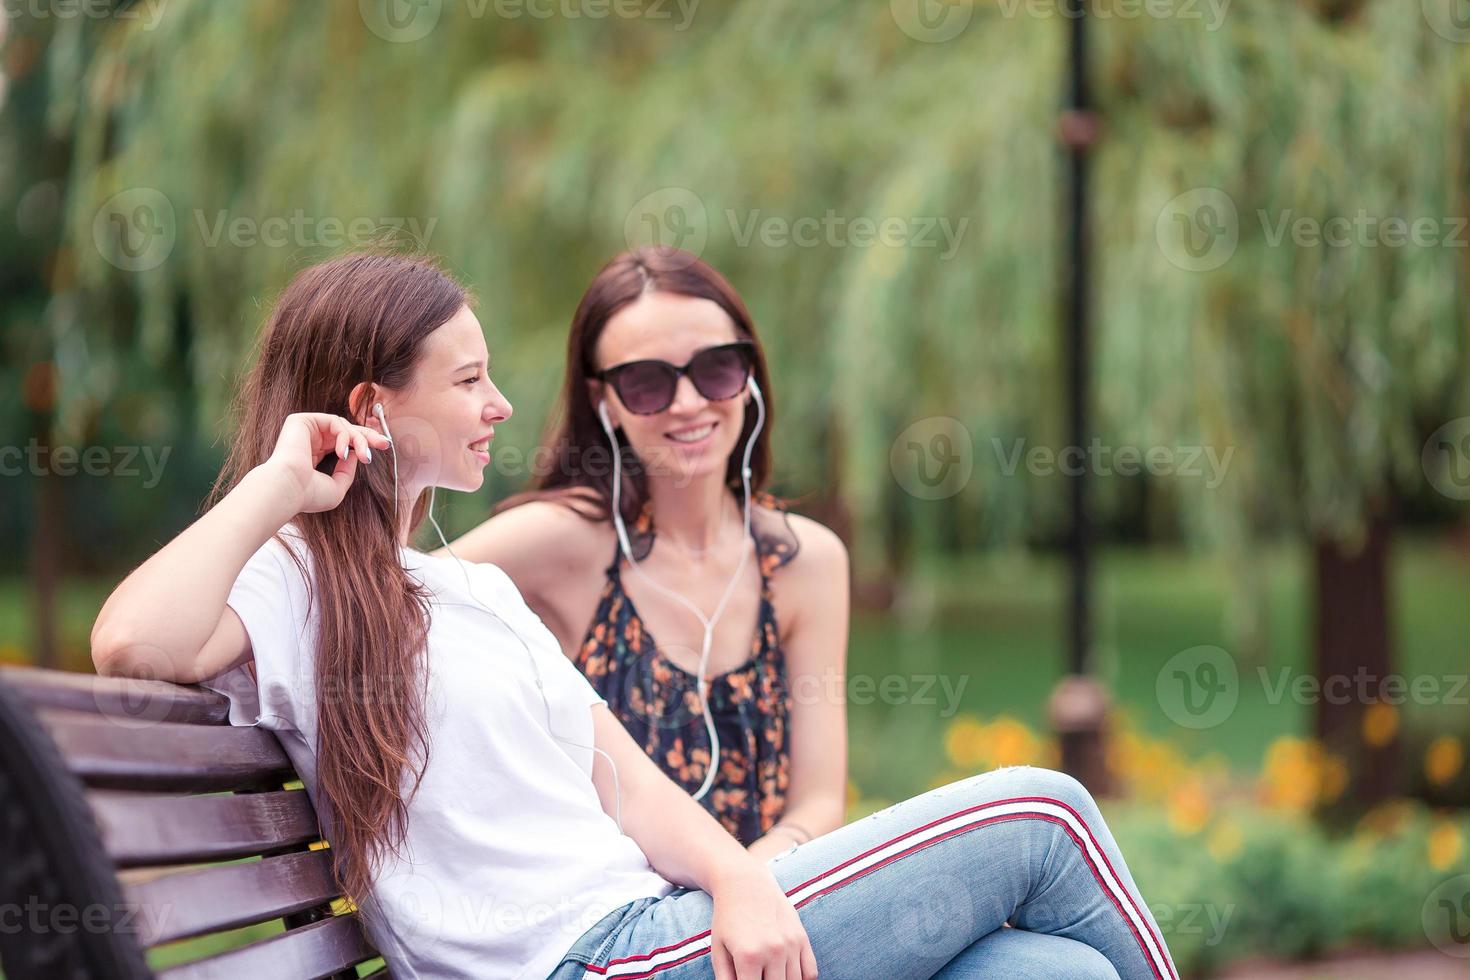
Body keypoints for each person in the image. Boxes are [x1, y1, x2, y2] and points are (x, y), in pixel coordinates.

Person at [91, 251, 1178, 980]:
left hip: (654, 929)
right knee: (1049, 809)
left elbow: (623, 779)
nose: (501, 405)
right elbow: (132, 642)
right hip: (592, 958)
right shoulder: (297, 578)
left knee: (1058, 971)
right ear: (374, 408)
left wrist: (740, 876)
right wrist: (285, 479)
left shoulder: (459, 590)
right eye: (469, 380)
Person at [442, 248, 847, 859]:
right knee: (1022, 826)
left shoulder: (804, 560)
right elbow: (379, 600)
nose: (687, 402)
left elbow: (818, 802)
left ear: (750, 375)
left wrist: (746, 882)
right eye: (647, 381)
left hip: (778, 913)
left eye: (717, 368)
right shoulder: (558, 542)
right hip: (630, 931)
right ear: (604, 401)